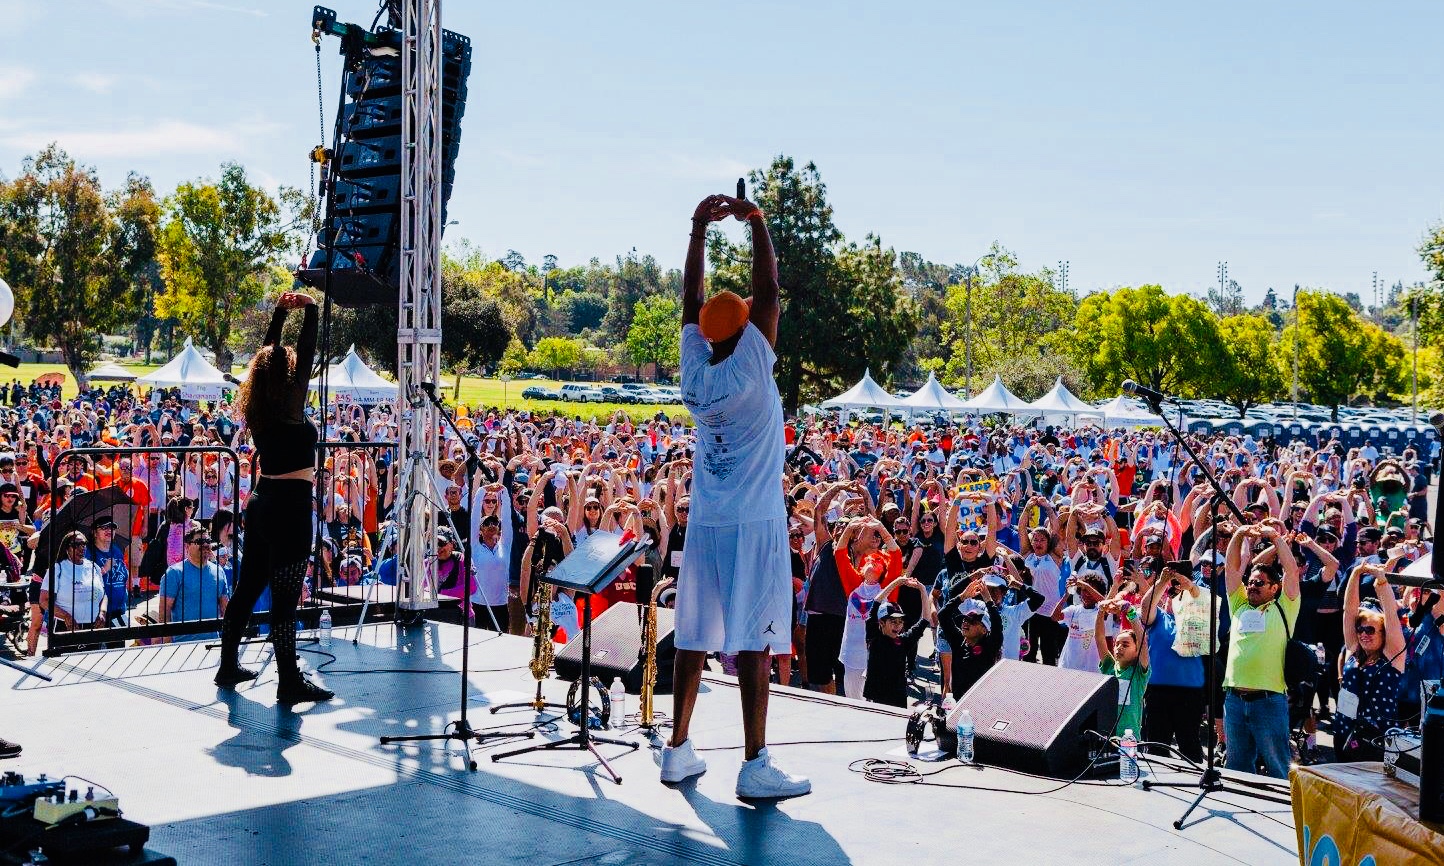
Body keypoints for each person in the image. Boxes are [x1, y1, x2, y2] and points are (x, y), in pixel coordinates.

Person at [661, 192, 810, 799]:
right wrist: (757, 225)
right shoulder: (754, 362)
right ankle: (755, 764)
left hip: (707, 521)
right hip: (754, 521)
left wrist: (698, 227)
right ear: (746, 328)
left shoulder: (695, 373)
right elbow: (770, 291)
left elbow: (689, 304)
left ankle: (677, 750)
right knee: (755, 636)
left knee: (692, 633)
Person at [216, 291, 334, 703]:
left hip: (262, 502)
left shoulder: (260, 407)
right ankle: (288, 681)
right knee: (285, 600)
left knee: (248, 588)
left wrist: (281, 314)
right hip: (289, 507)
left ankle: (228, 664)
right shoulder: (290, 403)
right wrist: (312, 310)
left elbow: (273, 351)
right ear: (286, 374)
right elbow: (306, 349)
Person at [1221, 523, 1300, 779]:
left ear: (1274, 588)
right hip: (1234, 700)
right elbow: (1231, 569)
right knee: (1236, 768)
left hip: (1268, 701)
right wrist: (1238, 534)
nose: (1252, 586)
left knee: (1278, 767)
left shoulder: (1283, 608)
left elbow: (1291, 571)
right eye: (1251, 582)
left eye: (1260, 583)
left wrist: (1276, 538)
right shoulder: (1239, 605)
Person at [1334, 563, 1405, 761]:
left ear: (1383, 634)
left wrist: (1382, 582)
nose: (1364, 634)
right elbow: (1349, 612)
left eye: (1370, 630)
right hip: (1345, 731)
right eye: (1361, 629)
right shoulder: (1354, 653)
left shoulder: (1392, 657)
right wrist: (1356, 573)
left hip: (1378, 737)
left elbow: (1390, 616)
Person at [864, 584, 933, 707]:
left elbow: (925, 620)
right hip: (876, 698)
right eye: (893, 621)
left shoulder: (904, 641)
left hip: (898, 698)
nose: (898, 625)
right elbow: (876, 603)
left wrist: (922, 589)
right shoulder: (874, 637)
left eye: (900, 622)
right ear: (881, 622)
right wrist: (898, 581)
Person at [157, 524, 229, 642]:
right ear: (187, 546)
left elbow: (225, 607)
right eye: (200, 541)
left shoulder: (218, 571)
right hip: (183, 644)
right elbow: (164, 610)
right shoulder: (174, 573)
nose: (205, 544)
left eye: (207, 540)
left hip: (212, 642)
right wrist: (167, 641)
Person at [1096, 596, 1150, 738]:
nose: (1119, 648)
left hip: (1130, 740)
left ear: (1136, 650)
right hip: (1107, 736)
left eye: (1125, 645)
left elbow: (1143, 641)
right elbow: (1100, 638)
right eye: (1117, 644)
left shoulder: (1139, 673)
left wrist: (1130, 612)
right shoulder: (1109, 667)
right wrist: (1101, 611)